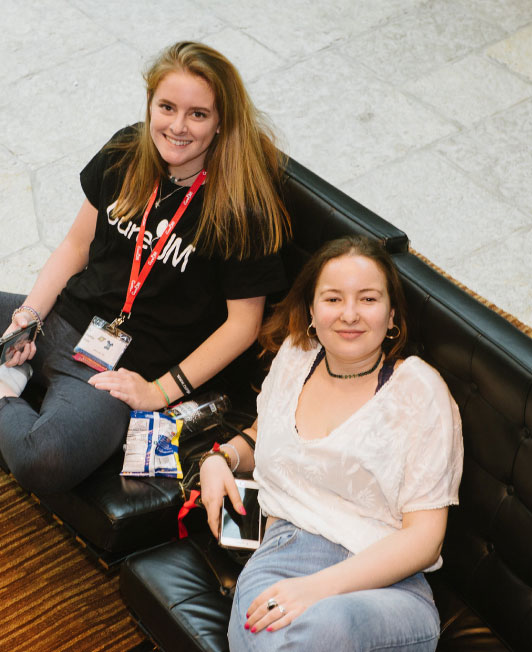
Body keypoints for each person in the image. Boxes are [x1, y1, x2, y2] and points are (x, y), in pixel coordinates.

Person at [0, 41, 290, 496]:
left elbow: (243, 325)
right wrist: (29, 317)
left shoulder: (241, 208)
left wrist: (160, 392)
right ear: (150, 104)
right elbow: (77, 245)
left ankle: (5, 391)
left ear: (222, 122)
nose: (177, 126)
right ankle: (17, 368)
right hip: (60, 320)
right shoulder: (125, 151)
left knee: (45, 461)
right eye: (167, 107)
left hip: (119, 375)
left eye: (198, 114)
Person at [199, 235, 463, 652]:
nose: (350, 315)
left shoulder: (420, 391)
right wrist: (220, 459)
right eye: (334, 299)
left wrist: (317, 589)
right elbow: (262, 435)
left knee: (321, 629)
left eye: (369, 299)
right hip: (283, 554)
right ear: (311, 311)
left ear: (392, 314)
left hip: (384, 582)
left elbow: (425, 538)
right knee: (271, 637)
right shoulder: (296, 356)